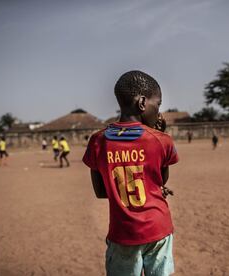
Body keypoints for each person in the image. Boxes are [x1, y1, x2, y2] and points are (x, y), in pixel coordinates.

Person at [83, 70, 179, 276]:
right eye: (158, 104)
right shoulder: (161, 140)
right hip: (158, 229)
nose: (159, 111)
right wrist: (158, 132)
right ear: (143, 103)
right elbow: (161, 180)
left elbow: (100, 192)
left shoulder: (98, 141)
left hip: (123, 234)